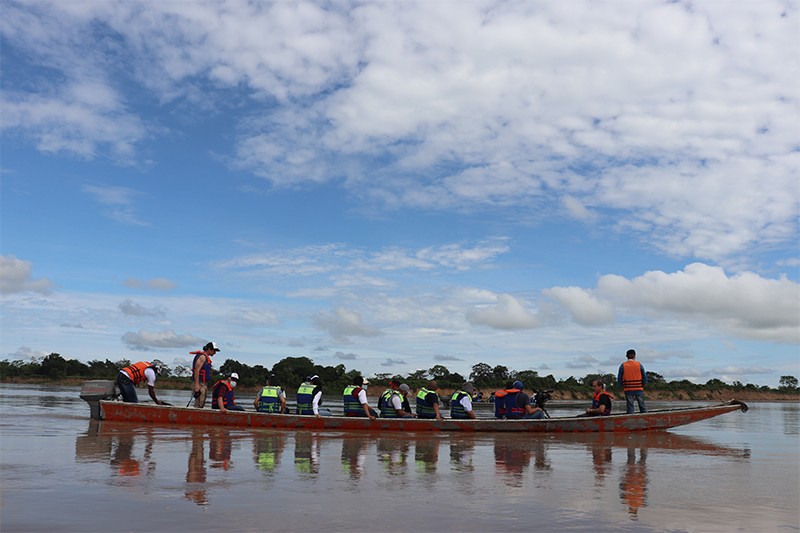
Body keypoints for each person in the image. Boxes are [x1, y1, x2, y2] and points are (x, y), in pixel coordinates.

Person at [190, 342, 219, 408]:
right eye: (214, 351)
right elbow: (197, 370)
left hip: (203, 383)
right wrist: (196, 385)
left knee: (201, 403)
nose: (215, 353)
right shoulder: (202, 357)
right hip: (200, 383)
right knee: (199, 403)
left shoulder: (205, 357)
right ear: (209, 349)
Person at [618, 348, 647, 413]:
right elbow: (644, 377)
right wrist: (643, 384)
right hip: (638, 387)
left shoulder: (623, 365)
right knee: (642, 405)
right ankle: (645, 416)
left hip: (628, 388)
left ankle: (630, 418)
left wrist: (621, 385)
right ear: (634, 356)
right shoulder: (639, 365)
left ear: (626, 356)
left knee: (630, 406)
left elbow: (619, 377)